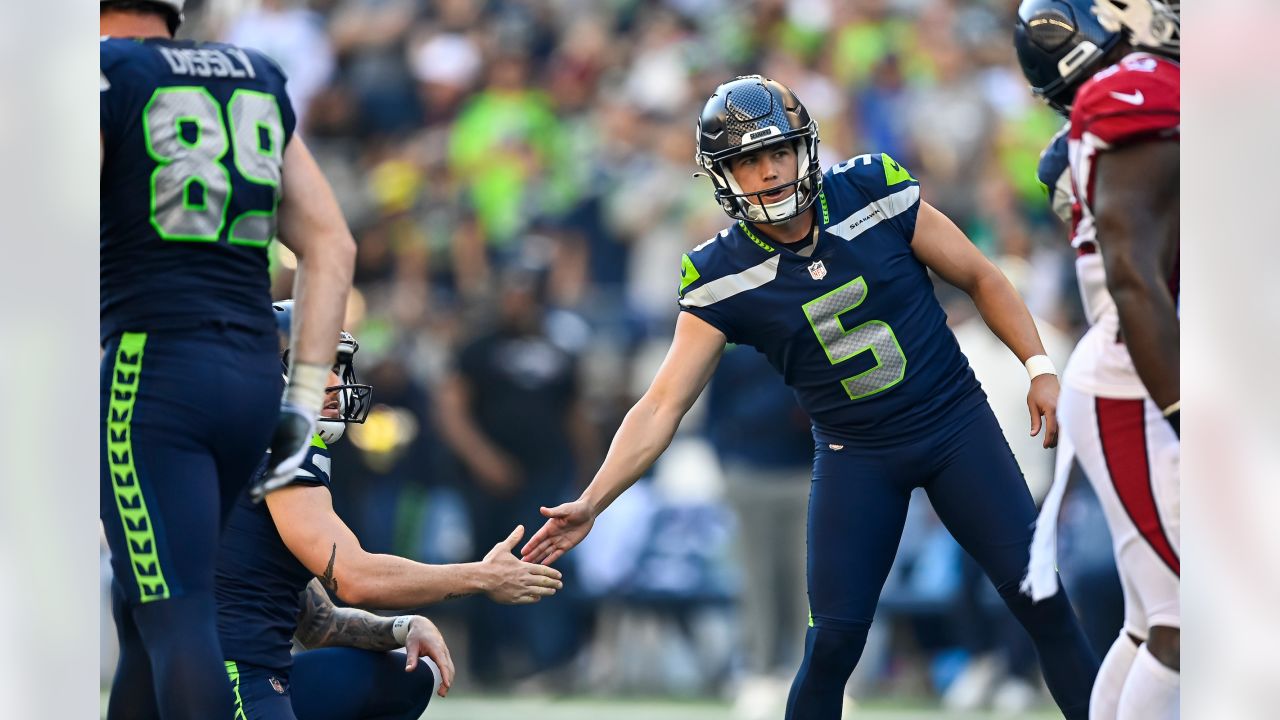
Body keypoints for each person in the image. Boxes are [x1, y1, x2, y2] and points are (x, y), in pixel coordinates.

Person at [520, 75, 1098, 719]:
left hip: (954, 425)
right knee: (833, 644)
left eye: (777, 153)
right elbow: (661, 404)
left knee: (1040, 600)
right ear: (723, 175)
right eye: (747, 161)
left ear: (804, 149)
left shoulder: (870, 189)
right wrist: (593, 500)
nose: (768, 173)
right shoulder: (721, 273)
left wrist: (1039, 365)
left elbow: (980, 275)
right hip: (859, 455)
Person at [100, 1, 356, 717]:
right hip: (248, 372)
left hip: (155, 367)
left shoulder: (100, 72)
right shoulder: (255, 73)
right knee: (145, 609)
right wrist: (302, 398)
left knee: (177, 617)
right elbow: (332, 247)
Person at [206, 301, 566, 719]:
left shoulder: (243, 443)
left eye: (336, 367)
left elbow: (318, 624)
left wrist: (401, 626)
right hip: (230, 676)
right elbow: (355, 578)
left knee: (404, 679)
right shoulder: (283, 445)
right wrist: (482, 576)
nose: (333, 382)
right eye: (314, 364)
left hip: (243, 668)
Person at [1015, 2, 1180, 717]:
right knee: (1192, 622)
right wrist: (1184, 412)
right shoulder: (1134, 88)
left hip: (1138, 370)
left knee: (1156, 622)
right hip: (1140, 383)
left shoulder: (1135, 91)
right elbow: (1136, 277)